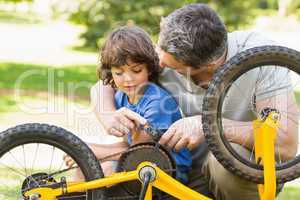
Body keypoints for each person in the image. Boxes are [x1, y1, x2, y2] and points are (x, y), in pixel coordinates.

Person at [91, 4, 299, 200]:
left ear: (210, 66)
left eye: (172, 66)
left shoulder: (260, 57)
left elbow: (286, 143)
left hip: (239, 173)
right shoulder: (168, 53)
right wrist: (108, 114)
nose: (160, 64)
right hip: (185, 168)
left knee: (221, 162)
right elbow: (106, 82)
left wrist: (209, 126)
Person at [66, 25, 192, 183]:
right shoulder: (122, 97)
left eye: (136, 70)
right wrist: (90, 151)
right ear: (110, 72)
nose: (128, 79)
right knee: (84, 167)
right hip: (141, 161)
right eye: (119, 73)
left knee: (106, 169)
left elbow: (139, 151)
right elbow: (129, 144)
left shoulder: (157, 102)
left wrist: (91, 150)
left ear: (149, 69)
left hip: (168, 169)